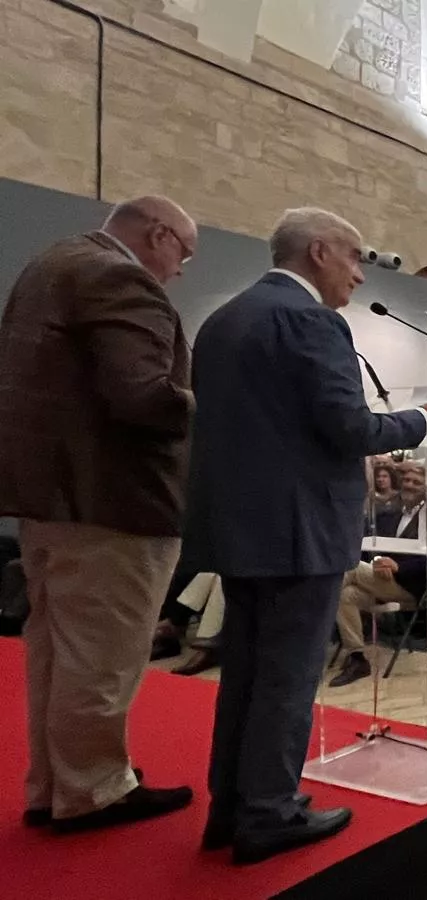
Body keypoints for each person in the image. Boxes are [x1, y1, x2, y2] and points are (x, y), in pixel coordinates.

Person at [185, 207, 427, 863]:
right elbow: (349, 429)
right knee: (287, 677)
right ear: (318, 251)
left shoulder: (223, 320)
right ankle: (269, 813)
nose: (360, 271)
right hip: (298, 530)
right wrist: (422, 420)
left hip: (240, 525)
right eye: (354, 255)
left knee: (247, 675)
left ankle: (231, 807)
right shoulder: (314, 321)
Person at [0, 196, 199, 832]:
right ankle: (94, 791)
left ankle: (53, 786)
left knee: (56, 652)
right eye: (183, 252)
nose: (182, 268)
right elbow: (143, 398)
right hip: (113, 502)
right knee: (102, 657)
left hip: (49, 501)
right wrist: (206, 403)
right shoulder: (119, 276)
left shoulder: (51, 265)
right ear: (160, 234)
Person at [329, 463, 427, 687]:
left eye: (416, 482)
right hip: (383, 579)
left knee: (349, 567)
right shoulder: (394, 511)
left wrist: (398, 567)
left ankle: (312, 620)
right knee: (347, 595)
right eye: (407, 480)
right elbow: (378, 545)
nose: (409, 485)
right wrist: (379, 562)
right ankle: (357, 657)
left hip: (411, 587)